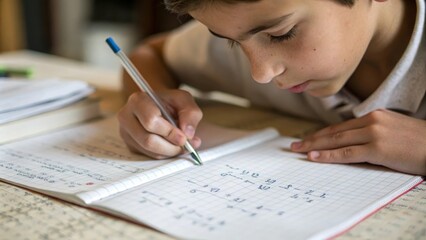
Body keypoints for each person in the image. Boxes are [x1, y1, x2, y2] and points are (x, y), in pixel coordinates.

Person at [118, 0, 426, 175]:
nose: (260, 73)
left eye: (282, 34)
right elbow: (148, 55)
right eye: (229, 40)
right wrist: (153, 101)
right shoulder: (251, 23)